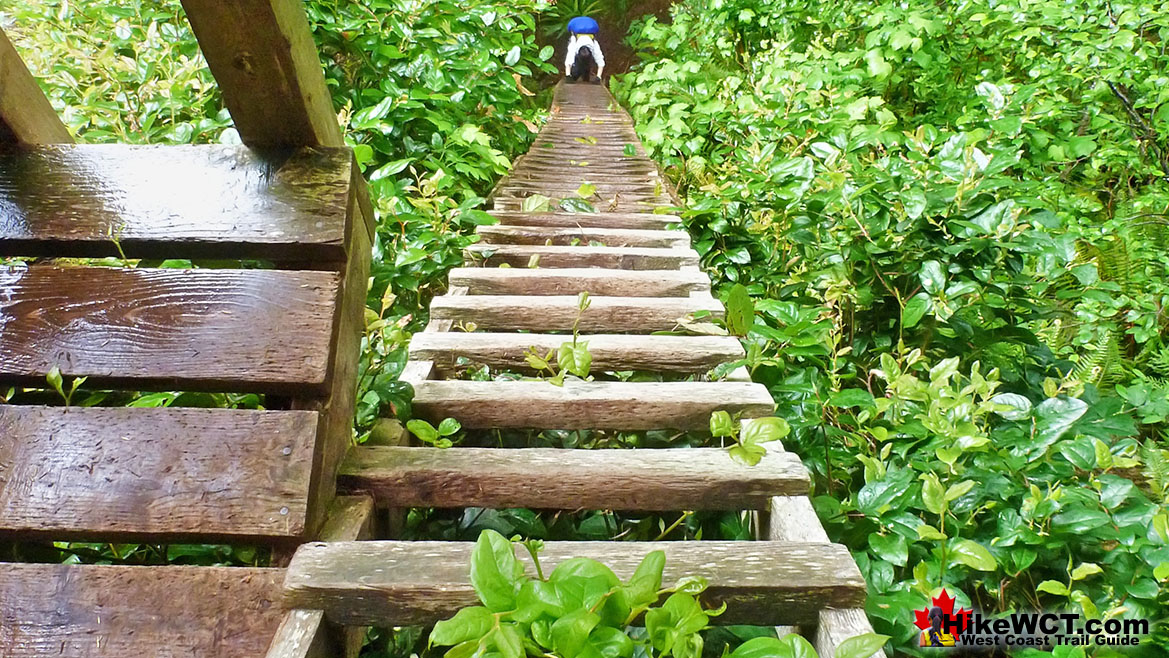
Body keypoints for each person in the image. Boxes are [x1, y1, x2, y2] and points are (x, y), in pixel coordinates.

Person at [564, 16, 604, 84]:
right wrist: (598, 77)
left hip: (585, 57)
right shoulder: (574, 41)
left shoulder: (593, 43)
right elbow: (600, 61)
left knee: (584, 68)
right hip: (579, 57)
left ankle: (584, 74)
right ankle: (579, 73)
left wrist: (568, 75)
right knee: (575, 73)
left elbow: (569, 59)